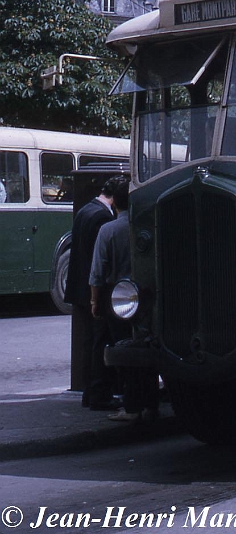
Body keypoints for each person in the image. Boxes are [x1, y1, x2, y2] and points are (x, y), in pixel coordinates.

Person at [89, 177, 159, 422]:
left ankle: (132, 407)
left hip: (118, 299)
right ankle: (151, 405)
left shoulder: (108, 230)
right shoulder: (149, 227)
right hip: (148, 297)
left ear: (114, 203)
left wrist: (94, 302)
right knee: (148, 351)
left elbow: (98, 272)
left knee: (125, 353)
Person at [65, 176, 118, 410]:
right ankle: (98, 393)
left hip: (79, 288)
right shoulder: (103, 217)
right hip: (93, 289)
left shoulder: (86, 210)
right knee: (100, 343)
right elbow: (100, 261)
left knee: (90, 342)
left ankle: (89, 392)